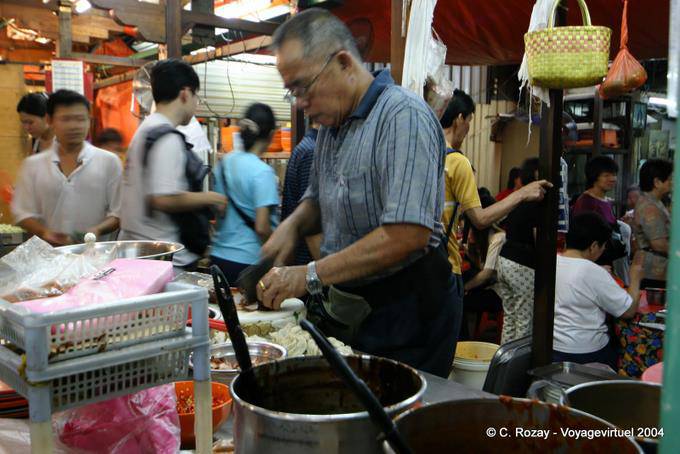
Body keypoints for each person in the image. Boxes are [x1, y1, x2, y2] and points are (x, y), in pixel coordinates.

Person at [252, 9, 457, 377]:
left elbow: (407, 233)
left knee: (399, 423)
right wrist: (293, 225)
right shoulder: (331, 127)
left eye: (302, 87)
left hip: (409, 311)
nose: (299, 102)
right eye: (291, 92)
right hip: (357, 305)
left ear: (344, 62)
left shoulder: (402, 116)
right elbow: (319, 198)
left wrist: (309, 274)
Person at [439, 90, 550, 330]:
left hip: (421, 265)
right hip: (445, 267)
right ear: (460, 118)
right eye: (469, 120)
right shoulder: (457, 162)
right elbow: (480, 219)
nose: (468, 127)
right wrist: (521, 194)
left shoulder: (427, 152)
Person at [119, 59, 226, 270]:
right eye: (196, 96)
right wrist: (212, 198)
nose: (196, 104)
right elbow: (163, 198)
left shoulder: (144, 130)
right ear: (185, 93)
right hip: (164, 261)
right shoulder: (167, 137)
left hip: (140, 253)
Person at [11, 90, 122, 244]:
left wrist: (97, 230)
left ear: (89, 120)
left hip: (97, 258)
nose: (74, 126)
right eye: (66, 119)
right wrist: (44, 232)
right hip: (50, 258)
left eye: (80, 119)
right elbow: (22, 212)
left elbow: (119, 213)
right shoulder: (33, 165)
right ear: (50, 120)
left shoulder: (109, 162)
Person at [553, 213, 643, 370]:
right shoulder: (593, 272)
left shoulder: (552, 261)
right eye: (602, 247)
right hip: (587, 352)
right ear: (593, 246)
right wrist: (635, 276)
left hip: (554, 348)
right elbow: (628, 311)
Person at [211, 103, 280, 284]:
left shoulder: (224, 163)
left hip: (218, 257)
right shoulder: (263, 172)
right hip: (248, 263)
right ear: (272, 135)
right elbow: (262, 227)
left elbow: (219, 208)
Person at [495, 158, 542, 344]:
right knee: (524, 321)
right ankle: (516, 370)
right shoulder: (536, 203)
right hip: (523, 264)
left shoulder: (518, 199)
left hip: (505, 260)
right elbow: (538, 238)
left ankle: (504, 364)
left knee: (510, 317)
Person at [460, 191, 505, 339]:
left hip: (499, 292)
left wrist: (464, 288)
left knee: (460, 300)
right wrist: (470, 249)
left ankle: (465, 340)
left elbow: (486, 273)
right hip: (488, 286)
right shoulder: (485, 236)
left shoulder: (498, 238)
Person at [571, 156, 626, 266]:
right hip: (595, 263)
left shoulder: (605, 200)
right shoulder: (586, 202)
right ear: (594, 177)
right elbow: (583, 238)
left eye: (614, 174)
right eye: (606, 175)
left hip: (608, 259)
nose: (612, 179)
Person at [281, 120, 321, 264]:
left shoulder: (308, 146)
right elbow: (311, 224)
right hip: (309, 262)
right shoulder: (312, 151)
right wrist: (330, 275)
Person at [633, 159, 673, 289]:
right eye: (669, 179)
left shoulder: (655, 202)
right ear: (657, 182)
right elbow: (658, 244)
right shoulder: (650, 207)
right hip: (654, 271)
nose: (672, 183)